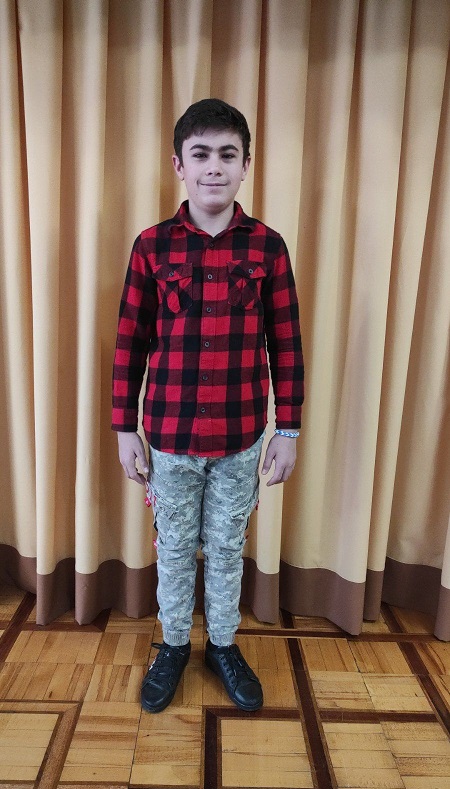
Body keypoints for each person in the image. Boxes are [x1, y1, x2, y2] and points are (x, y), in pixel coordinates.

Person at [112, 98, 304, 713]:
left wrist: (288, 430)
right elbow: (129, 343)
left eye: (227, 154)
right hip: (168, 438)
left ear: (246, 164)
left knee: (225, 548)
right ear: (179, 165)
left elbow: (286, 344)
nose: (214, 167)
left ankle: (222, 644)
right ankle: (172, 645)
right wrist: (124, 428)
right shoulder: (152, 246)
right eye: (200, 155)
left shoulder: (268, 248)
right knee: (173, 547)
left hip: (242, 439)